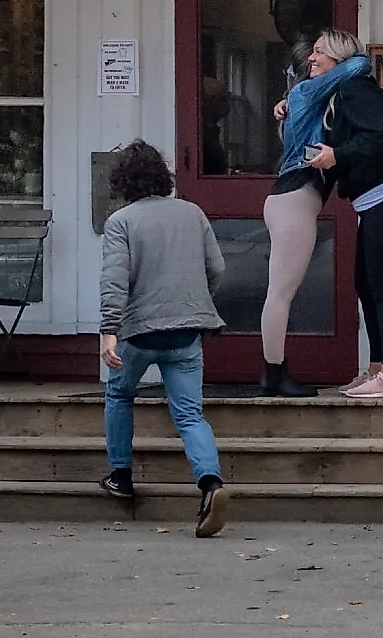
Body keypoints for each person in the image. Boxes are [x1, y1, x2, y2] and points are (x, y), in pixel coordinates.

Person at [98, 140, 232, 537]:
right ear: (163, 177)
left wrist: (108, 331)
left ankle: (121, 476)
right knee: (190, 414)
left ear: (124, 182)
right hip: (187, 332)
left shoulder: (121, 221)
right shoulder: (193, 213)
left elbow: (114, 282)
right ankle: (211, 484)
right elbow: (218, 268)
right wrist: (194, 301)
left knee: (120, 395)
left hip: (139, 333)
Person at [258, 29, 372, 397]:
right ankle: (273, 375)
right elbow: (361, 62)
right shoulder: (307, 91)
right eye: (315, 51)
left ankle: (274, 373)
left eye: (320, 52)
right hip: (294, 197)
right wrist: (337, 62)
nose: (311, 57)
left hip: (293, 198)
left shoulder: (314, 96)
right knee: (281, 292)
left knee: (282, 290)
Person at [310, 49, 383, 400]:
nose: (311, 57)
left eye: (320, 51)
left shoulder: (354, 89)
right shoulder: (334, 95)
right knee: (366, 284)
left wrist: (337, 155)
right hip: (374, 201)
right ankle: (377, 369)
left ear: (338, 60)